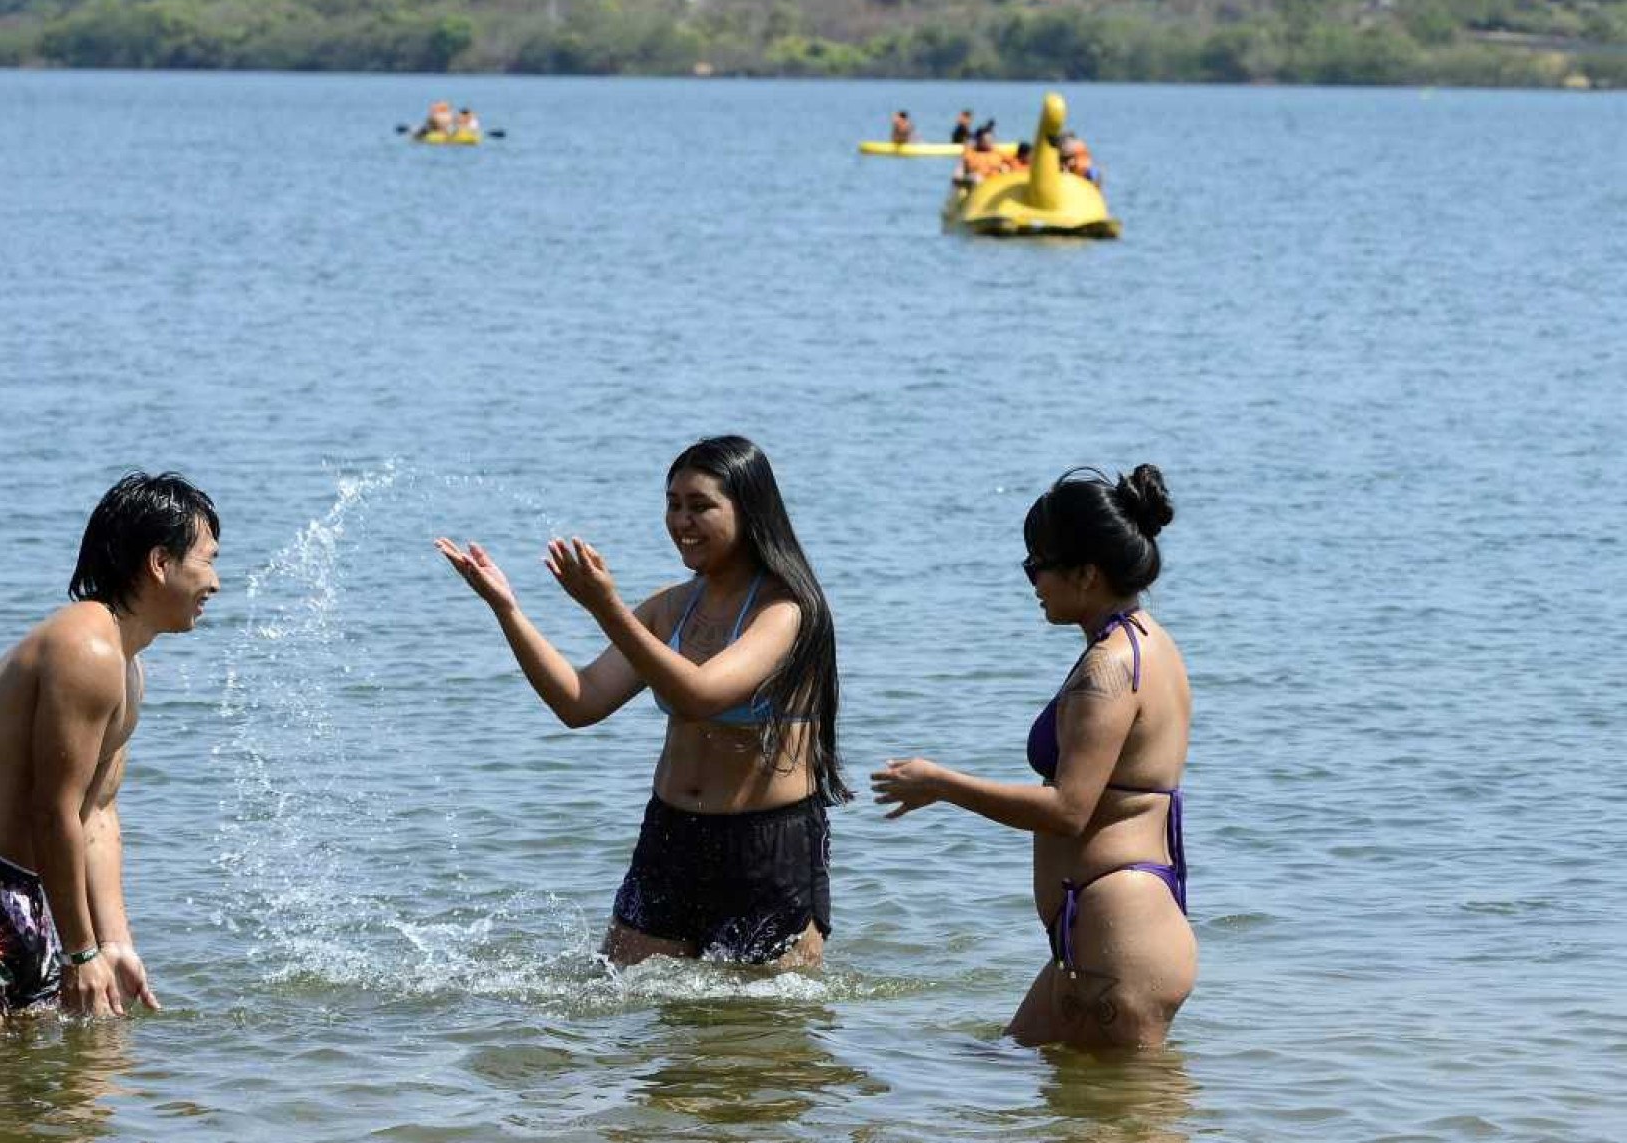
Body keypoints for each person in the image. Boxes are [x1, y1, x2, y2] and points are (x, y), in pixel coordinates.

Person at [436, 436, 845, 968]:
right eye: (673, 504)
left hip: (765, 848)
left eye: (700, 506)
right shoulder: (670, 607)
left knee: (757, 1039)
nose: (682, 521)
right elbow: (579, 703)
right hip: (671, 837)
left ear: (750, 511)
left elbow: (700, 695)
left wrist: (607, 609)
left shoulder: (786, 611)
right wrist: (508, 611)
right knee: (633, 1012)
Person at [0, 472, 221, 1033]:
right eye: (207, 560)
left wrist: (113, 944)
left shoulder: (129, 668)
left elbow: (97, 815)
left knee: (85, 1083)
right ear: (160, 562)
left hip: (31, 895)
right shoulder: (86, 647)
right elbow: (51, 809)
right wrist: (80, 954)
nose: (216, 583)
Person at [872, 466, 1193, 1050]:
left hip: (1120, 938)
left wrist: (942, 784)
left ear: (1087, 573)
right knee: (1006, 1063)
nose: (1031, 580)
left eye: (1037, 564)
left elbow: (1069, 810)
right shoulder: (1149, 642)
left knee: (1117, 1124)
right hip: (1108, 934)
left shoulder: (1111, 668)